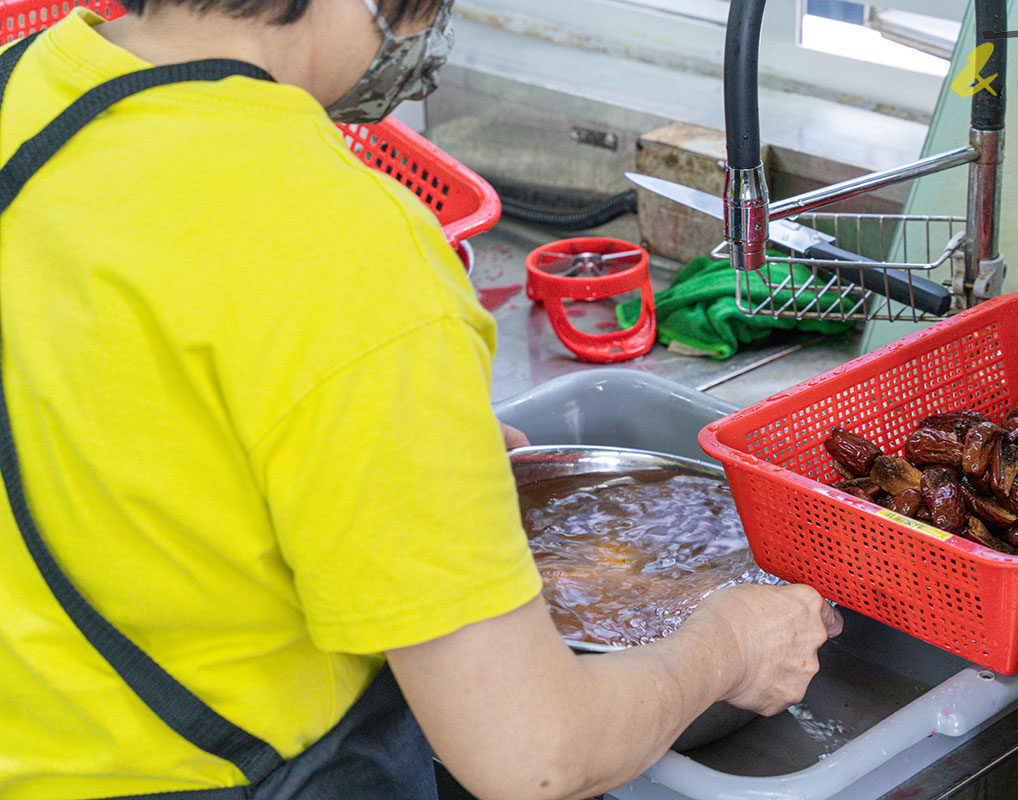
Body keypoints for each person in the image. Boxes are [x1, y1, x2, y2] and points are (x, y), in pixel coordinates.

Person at [0, 0, 843, 797]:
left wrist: (388, 446)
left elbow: (104, 403)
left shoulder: (21, 84)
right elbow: (536, 754)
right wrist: (729, 647)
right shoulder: (346, 252)